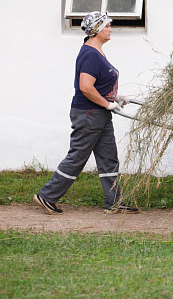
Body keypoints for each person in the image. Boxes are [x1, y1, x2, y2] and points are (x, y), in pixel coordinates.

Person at [34, 11, 138, 215]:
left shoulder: (97, 51)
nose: (110, 29)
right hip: (89, 113)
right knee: (78, 156)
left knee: (108, 157)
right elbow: (86, 88)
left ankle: (114, 201)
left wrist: (115, 98)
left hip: (99, 113)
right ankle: (46, 196)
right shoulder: (90, 54)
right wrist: (107, 104)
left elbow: (97, 84)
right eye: (107, 26)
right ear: (96, 29)